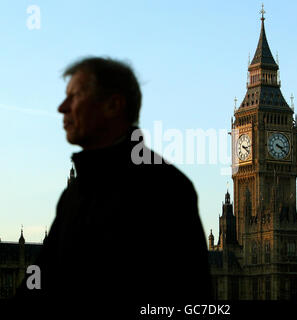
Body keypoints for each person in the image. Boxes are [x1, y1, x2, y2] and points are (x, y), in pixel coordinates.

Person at [14, 57, 212, 314]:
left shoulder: (165, 188)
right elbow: (39, 280)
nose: (62, 107)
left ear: (113, 105)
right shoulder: (74, 193)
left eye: (74, 96)